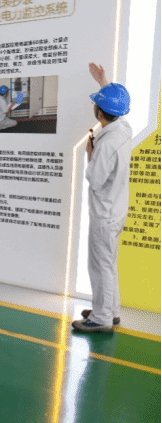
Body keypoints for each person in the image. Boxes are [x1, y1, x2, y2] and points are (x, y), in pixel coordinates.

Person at [72, 63, 132, 333]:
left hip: (104, 214)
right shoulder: (123, 129)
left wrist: (90, 154)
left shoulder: (105, 143)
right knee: (108, 264)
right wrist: (103, 81)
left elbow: (95, 180)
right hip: (116, 210)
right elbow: (115, 108)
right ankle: (110, 310)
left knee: (100, 266)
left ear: (98, 111)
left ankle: (102, 317)